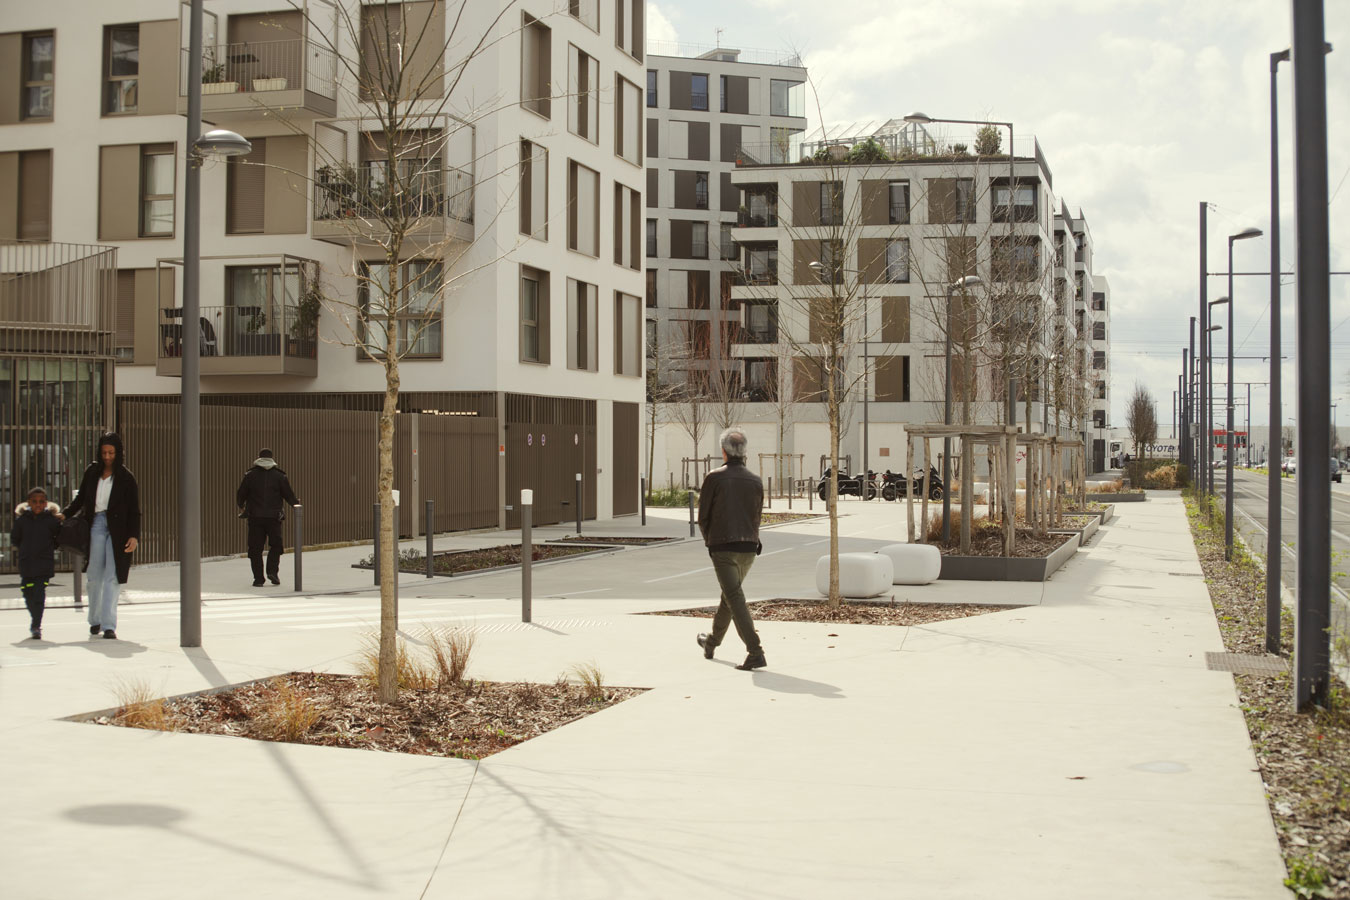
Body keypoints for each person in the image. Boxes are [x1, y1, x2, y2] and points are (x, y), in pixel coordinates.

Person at [695, 427, 767, 671]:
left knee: (734, 597)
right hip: (748, 547)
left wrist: (710, 542)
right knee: (730, 596)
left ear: (723, 451)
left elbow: (703, 517)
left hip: (723, 546)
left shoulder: (714, 478)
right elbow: (757, 516)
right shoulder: (756, 481)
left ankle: (755, 651)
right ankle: (711, 642)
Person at [67, 433, 141, 640]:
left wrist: (134, 536)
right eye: (104, 453)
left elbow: (135, 511)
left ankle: (109, 625)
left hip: (119, 529)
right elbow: (80, 499)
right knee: (94, 575)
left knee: (112, 576)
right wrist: (64, 513)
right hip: (96, 524)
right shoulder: (92, 472)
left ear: (118, 453)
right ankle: (95, 620)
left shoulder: (127, 478)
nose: (107, 457)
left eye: (111, 453)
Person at [236, 448, 299, 587]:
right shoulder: (280, 476)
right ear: (272, 459)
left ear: (258, 458)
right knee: (276, 545)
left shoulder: (250, 475)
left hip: (255, 517)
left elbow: (241, 494)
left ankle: (258, 578)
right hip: (273, 517)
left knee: (255, 548)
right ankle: (272, 571)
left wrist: (241, 506)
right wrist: (296, 504)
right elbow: (288, 495)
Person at [11, 486, 64, 640]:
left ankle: (36, 625)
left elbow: (58, 538)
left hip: (44, 565)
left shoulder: (51, 521)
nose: (38, 505)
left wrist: (49, 548)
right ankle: (34, 619)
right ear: (29, 503)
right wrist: (25, 550)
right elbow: (15, 538)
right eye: (34, 502)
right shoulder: (21, 521)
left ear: (46, 503)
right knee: (27, 593)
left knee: (39, 595)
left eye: (41, 502)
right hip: (26, 564)